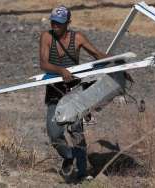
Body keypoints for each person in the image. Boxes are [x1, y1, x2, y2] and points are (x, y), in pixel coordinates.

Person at [39, 5, 108, 182]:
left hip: (75, 93)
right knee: (54, 133)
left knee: (76, 131)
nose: (55, 26)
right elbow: (44, 64)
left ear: (68, 23)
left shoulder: (77, 38)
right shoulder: (47, 37)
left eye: (60, 24)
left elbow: (97, 54)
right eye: (53, 22)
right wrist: (61, 70)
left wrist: (119, 66)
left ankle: (82, 173)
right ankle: (69, 156)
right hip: (54, 91)